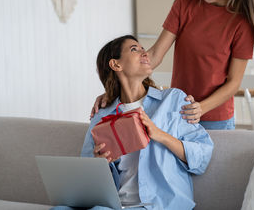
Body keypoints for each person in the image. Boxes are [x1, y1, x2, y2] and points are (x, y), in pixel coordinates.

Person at [91, 0, 254, 130]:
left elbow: (233, 83)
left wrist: (201, 108)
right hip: (178, 111)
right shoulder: (185, 5)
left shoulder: (242, 24)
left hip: (216, 119)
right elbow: (154, 56)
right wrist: (114, 91)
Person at [53, 35, 213, 210]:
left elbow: (202, 156)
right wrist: (99, 164)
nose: (144, 52)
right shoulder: (102, 116)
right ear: (116, 65)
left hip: (160, 205)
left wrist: (160, 135)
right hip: (115, 205)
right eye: (134, 49)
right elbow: (85, 174)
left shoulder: (174, 100)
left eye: (143, 48)